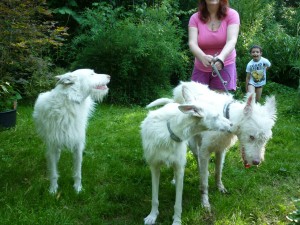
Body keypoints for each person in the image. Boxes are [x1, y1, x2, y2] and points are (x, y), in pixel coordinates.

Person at [188, 0, 240, 92]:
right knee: (197, 102)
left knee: (219, 103)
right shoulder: (194, 18)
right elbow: (192, 43)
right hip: (200, 66)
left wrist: (221, 58)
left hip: (225, 64)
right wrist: (202, 57)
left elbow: (232, 40)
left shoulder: (232, 15)